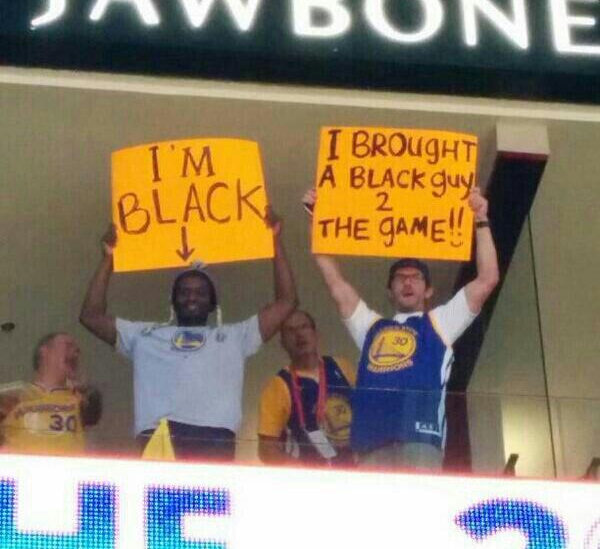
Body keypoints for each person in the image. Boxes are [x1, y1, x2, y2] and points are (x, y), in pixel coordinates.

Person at [79, 208, 297, 461]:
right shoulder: (145, 335)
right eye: (184, 292)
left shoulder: (236, 336)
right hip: (159, 436)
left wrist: (275, 240)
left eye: (200, 292)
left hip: (216, 438)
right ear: (173, 302)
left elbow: (287, 302)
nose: (192, 297)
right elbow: (91, 316)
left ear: (212, 304)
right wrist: (108, 258)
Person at [305, 186, 499, 470]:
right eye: (400, 278)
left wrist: (481, 220)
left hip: (421, 441)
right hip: (370, 445)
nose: (407, 282)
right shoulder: (370, 327)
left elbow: (487, 279)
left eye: (416, 277)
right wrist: (317, 221)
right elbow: (336, 284)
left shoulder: (440, 322)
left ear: (428, 289)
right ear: (390, 290)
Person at [258, 309, 355, 466]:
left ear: (316, 334)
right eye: (291, 330)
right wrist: (296, 469)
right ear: (282, 343)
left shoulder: (342, 366)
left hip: (352, 470)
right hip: (308, 474)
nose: (299, 334)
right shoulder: (278, 385)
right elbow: (266, 449)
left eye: (304, 327)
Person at [0, 332, 102, 455]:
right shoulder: (12, 397)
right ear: (44, 351)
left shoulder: (81, 398)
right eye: (68, 345)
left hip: (66, 466)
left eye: (77, 350)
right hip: (20, 466)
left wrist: (86, 389)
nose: (76, 352)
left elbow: (93, 413)